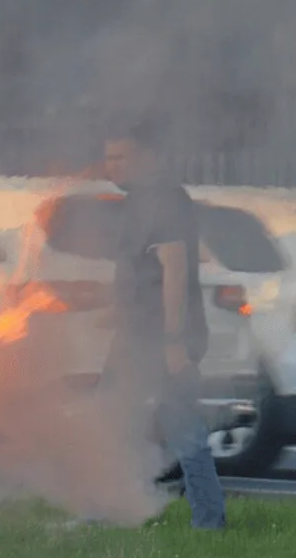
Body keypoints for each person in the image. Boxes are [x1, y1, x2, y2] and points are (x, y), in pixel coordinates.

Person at [100, 122, 226, 530]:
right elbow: (137, 269)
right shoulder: (137, 202)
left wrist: (174, 342)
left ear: (143, 157)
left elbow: (173, 269)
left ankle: (209, 523)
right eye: (108, 157)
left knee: (184, 430)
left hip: (161, 338)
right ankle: (107, 510)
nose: (110, 165)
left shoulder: (165, 200)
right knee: (113, 421)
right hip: (134, 336)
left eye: (120, 157)